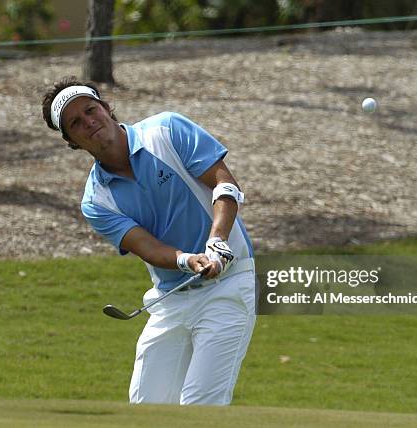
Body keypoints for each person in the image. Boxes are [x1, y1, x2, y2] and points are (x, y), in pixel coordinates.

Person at [41, 77, 256, 405]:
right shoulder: (97, 200)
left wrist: (217, 242)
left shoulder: (167, 130)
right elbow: (149, 248)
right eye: (76, 123)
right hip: (171, 299)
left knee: (199, 407)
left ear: (106, 108)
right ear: (71, 140)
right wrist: (188, 260)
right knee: (145, 409)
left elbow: (224, 184)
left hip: (230, 284)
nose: (89, 122)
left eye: (90, 109)